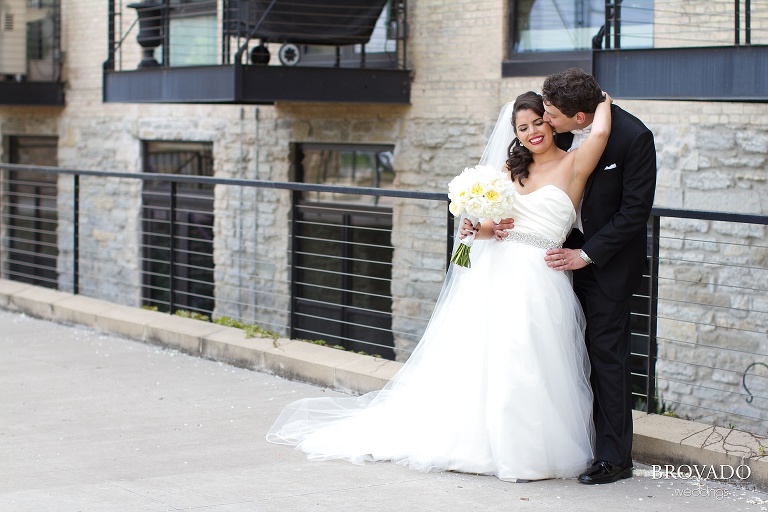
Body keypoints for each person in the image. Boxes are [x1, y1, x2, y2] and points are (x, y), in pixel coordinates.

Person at [266, 91, 613, 482]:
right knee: (480, 358)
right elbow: (491, 228)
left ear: (552, 121)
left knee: (527, 359)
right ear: (514, 133)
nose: (532, 132)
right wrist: (473, 228)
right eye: (522, 127)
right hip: (493, 273)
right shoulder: (507, 170)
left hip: (540, 277)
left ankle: (526, 451)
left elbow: (600, 132)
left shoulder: (574, 164)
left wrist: (601, 96)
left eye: (538, 122)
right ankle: (473, 443)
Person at [507, 68, 656, 485]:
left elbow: (633, 214)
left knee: (607, 358)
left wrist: (586, 255)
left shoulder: (634, 137)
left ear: (579, 117)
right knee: (561, 354)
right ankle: (574, 442)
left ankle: (614, 458)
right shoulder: (565, 131)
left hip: (606, 266)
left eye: (550, 114)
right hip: (554, 264)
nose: (545, 121)